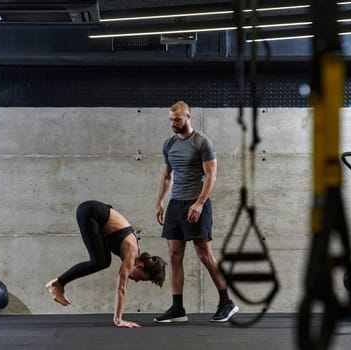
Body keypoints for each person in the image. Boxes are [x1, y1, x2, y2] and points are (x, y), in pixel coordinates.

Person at [154, 101, 239, 323]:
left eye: (178, 119)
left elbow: (211, 176)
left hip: (196, 203)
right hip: (176, 204)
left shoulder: (202, 142)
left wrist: (200, 203)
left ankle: (227, 303)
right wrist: (160, 202)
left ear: (188, 117)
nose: (173, 123)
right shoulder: (169, 144)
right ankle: (178, 308)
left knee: (204, 255)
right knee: (174, 256)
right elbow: (166, 176)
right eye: (171, 119)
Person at [46, 200, 167, 328]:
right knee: (99, 261)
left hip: (94, 213)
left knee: (103, 262)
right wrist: (118, 320)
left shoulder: (133, 251)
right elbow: (121, 288)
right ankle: (56, 284)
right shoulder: (132, 253)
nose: (136, 281)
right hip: (90, 212)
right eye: (140, 279)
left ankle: (58, 283)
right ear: (141, 266)